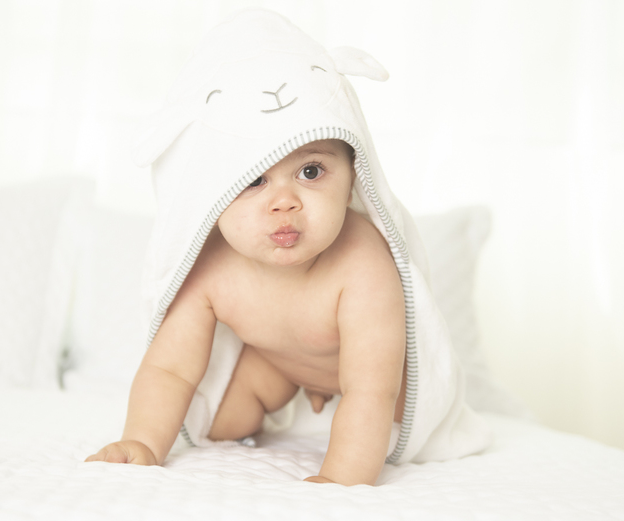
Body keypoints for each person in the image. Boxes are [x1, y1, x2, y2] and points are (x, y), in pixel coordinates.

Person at [86, 137, 405, 485]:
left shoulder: (363, 264)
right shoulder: (210, 264)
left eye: (311, 172)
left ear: (352, 182)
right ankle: (299, 388)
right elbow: (170, 368)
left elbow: (371, 389)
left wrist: (340, 480)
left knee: (395, 414)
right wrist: (143, 442)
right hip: (282, 363)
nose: (283, 202)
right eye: (254, 179)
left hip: (377, 376)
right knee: (220, 421)